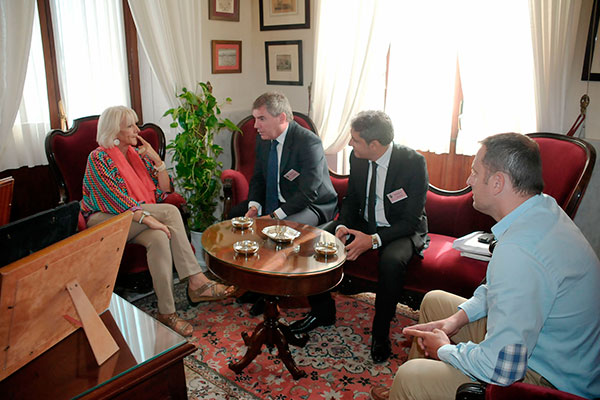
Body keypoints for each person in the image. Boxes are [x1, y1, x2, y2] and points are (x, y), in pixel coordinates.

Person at [370, 133, 600, 400]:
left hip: (551, 381)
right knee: (435, 302)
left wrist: (444, 350)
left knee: (411, 377)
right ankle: (414, 392)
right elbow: (500, 290)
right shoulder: (543, 210)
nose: (469, 181)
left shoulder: (520, 251)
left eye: (475, 172)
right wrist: (456, 320)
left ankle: (412, 389)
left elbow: (502, 369)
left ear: (498, 182)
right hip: (551, 349)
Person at [81, 106, 235, 337]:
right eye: (130, 126)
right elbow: (115, 200)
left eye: (136, 124)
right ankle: (197, 281)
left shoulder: (136, 155)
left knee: (160, 238)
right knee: (170, 214)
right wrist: (150, 219)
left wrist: (156, 160)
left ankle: (166, 313)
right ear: (114, 131)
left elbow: (163, 192)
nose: (137, 130)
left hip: (135, 217)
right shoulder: (98, 157)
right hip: (105, 220)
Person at [289, 110, 429, 364]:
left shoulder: (413, 162)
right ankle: (323, 312)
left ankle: (380, 333)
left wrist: (372, 240)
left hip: (399, 228)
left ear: (374, 144)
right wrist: (342, 225)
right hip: (362, 222)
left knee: (391, 262)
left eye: (354, 139)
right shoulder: (359, 157)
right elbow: (353, 198)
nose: (350, 144)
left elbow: (410, 220)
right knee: (312, 241)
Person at [229, 92, 338, 314]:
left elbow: (309, 192)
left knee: (282, 231)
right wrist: (253, 207)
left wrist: (273, 216)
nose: (255, 126)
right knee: (236, 217)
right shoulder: (263, 140)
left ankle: (323, 310)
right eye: (255, 118)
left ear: (281, 118)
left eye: (261, 119)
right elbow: (258, 178)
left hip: (313, 205)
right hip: (277, 202)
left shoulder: (308, 142)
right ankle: (262, 289)